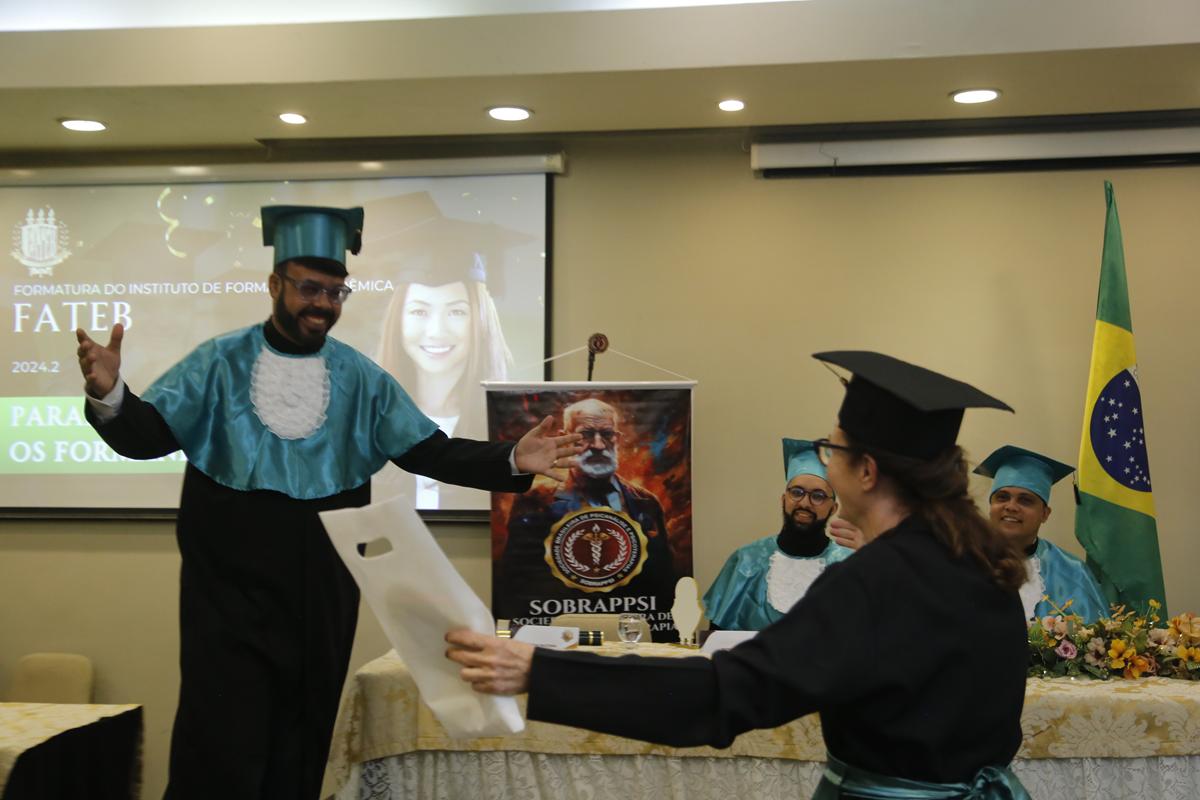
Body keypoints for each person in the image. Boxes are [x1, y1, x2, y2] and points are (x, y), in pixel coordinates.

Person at [74, 205, 580, 800]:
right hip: (227, 594)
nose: (323, 304)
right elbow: (147, 437)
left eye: (336, 292)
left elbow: (429, 452)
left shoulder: (361, 377)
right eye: (309, 288)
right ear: (275, 284)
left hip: (322, 589)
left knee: (303, 737)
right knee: (220, 741)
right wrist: (111, 393)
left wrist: (512, 458)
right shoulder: (217, 362)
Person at [448, 350, 1034, 799]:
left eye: (832, 449)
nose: (825, 463)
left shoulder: (875, 581)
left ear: (866, 472)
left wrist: (540, 671)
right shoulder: (983, 562)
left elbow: (723, 695)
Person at [493, 397, 679, 639]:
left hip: (630, 638)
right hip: (558, 638)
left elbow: (663, 584)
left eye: (607, 434)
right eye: (586, 435)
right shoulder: (535, 502)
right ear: (565, 437)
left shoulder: (646, 502)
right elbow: (516, 588)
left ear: (617, 439)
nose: (599, 445)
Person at [374, 214, 524, 509]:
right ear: (397, 320)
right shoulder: (370, 417)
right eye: (419, 311)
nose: (436, 331)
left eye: (456, 312)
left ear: (480, 321)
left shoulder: (509, 422)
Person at [703, 438, 854, 631]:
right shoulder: (746, 561)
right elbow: (717, 638)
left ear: (833, 508)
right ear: (784, 499)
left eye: (818, 496)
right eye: (797, 492)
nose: (804, 503)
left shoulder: (848, 566)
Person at [975, 445, 1109, 622]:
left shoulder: (1074, 573)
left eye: (1025, 500)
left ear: (1045, 514)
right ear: (991, 506)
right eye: (1002, 497)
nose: (1011, 506)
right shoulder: (962, 561)